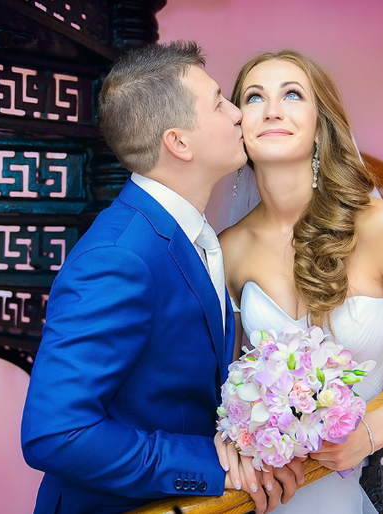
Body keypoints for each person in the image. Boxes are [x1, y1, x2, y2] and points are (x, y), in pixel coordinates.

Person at [20, 41, 302, 514]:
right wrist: (213, 465)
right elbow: (56, 433)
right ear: (179, 142)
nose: (238, 114)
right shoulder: (118, 257)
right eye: (219, 103)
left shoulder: (192, 233)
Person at [215, 49, 383, 513]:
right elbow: (225, 381)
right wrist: (236, 434)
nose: (272, 110)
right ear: (240, 126)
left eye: (292, 94)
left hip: (377, 477)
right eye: (254, 97)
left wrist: (368, 433)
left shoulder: (381, 227)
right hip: (280, 485)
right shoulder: (229, 249)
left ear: (321, 125)